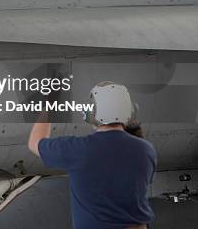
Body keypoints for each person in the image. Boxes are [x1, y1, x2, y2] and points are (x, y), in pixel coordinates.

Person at [28, 82, 156, 229]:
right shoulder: (146, 150)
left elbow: (35, 143)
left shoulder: (78, 149)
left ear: (93, 113)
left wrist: (49, 105)